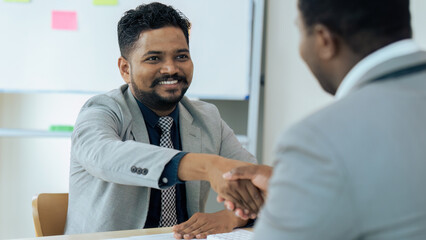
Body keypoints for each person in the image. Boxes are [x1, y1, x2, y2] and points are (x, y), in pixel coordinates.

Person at [219, 0, 426, 239]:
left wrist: (291, 204)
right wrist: (301, 193)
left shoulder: (318, 140)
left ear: (324, 40)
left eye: (299, 31)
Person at [64, 2, 262, 239]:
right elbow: (104, 157)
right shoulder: (102, 110)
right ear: (125, 69)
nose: (171, 69)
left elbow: (259, 186)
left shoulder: (206, 117)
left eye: (181, 56)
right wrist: (207, 165)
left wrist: (230, 218)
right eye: (154, 58)